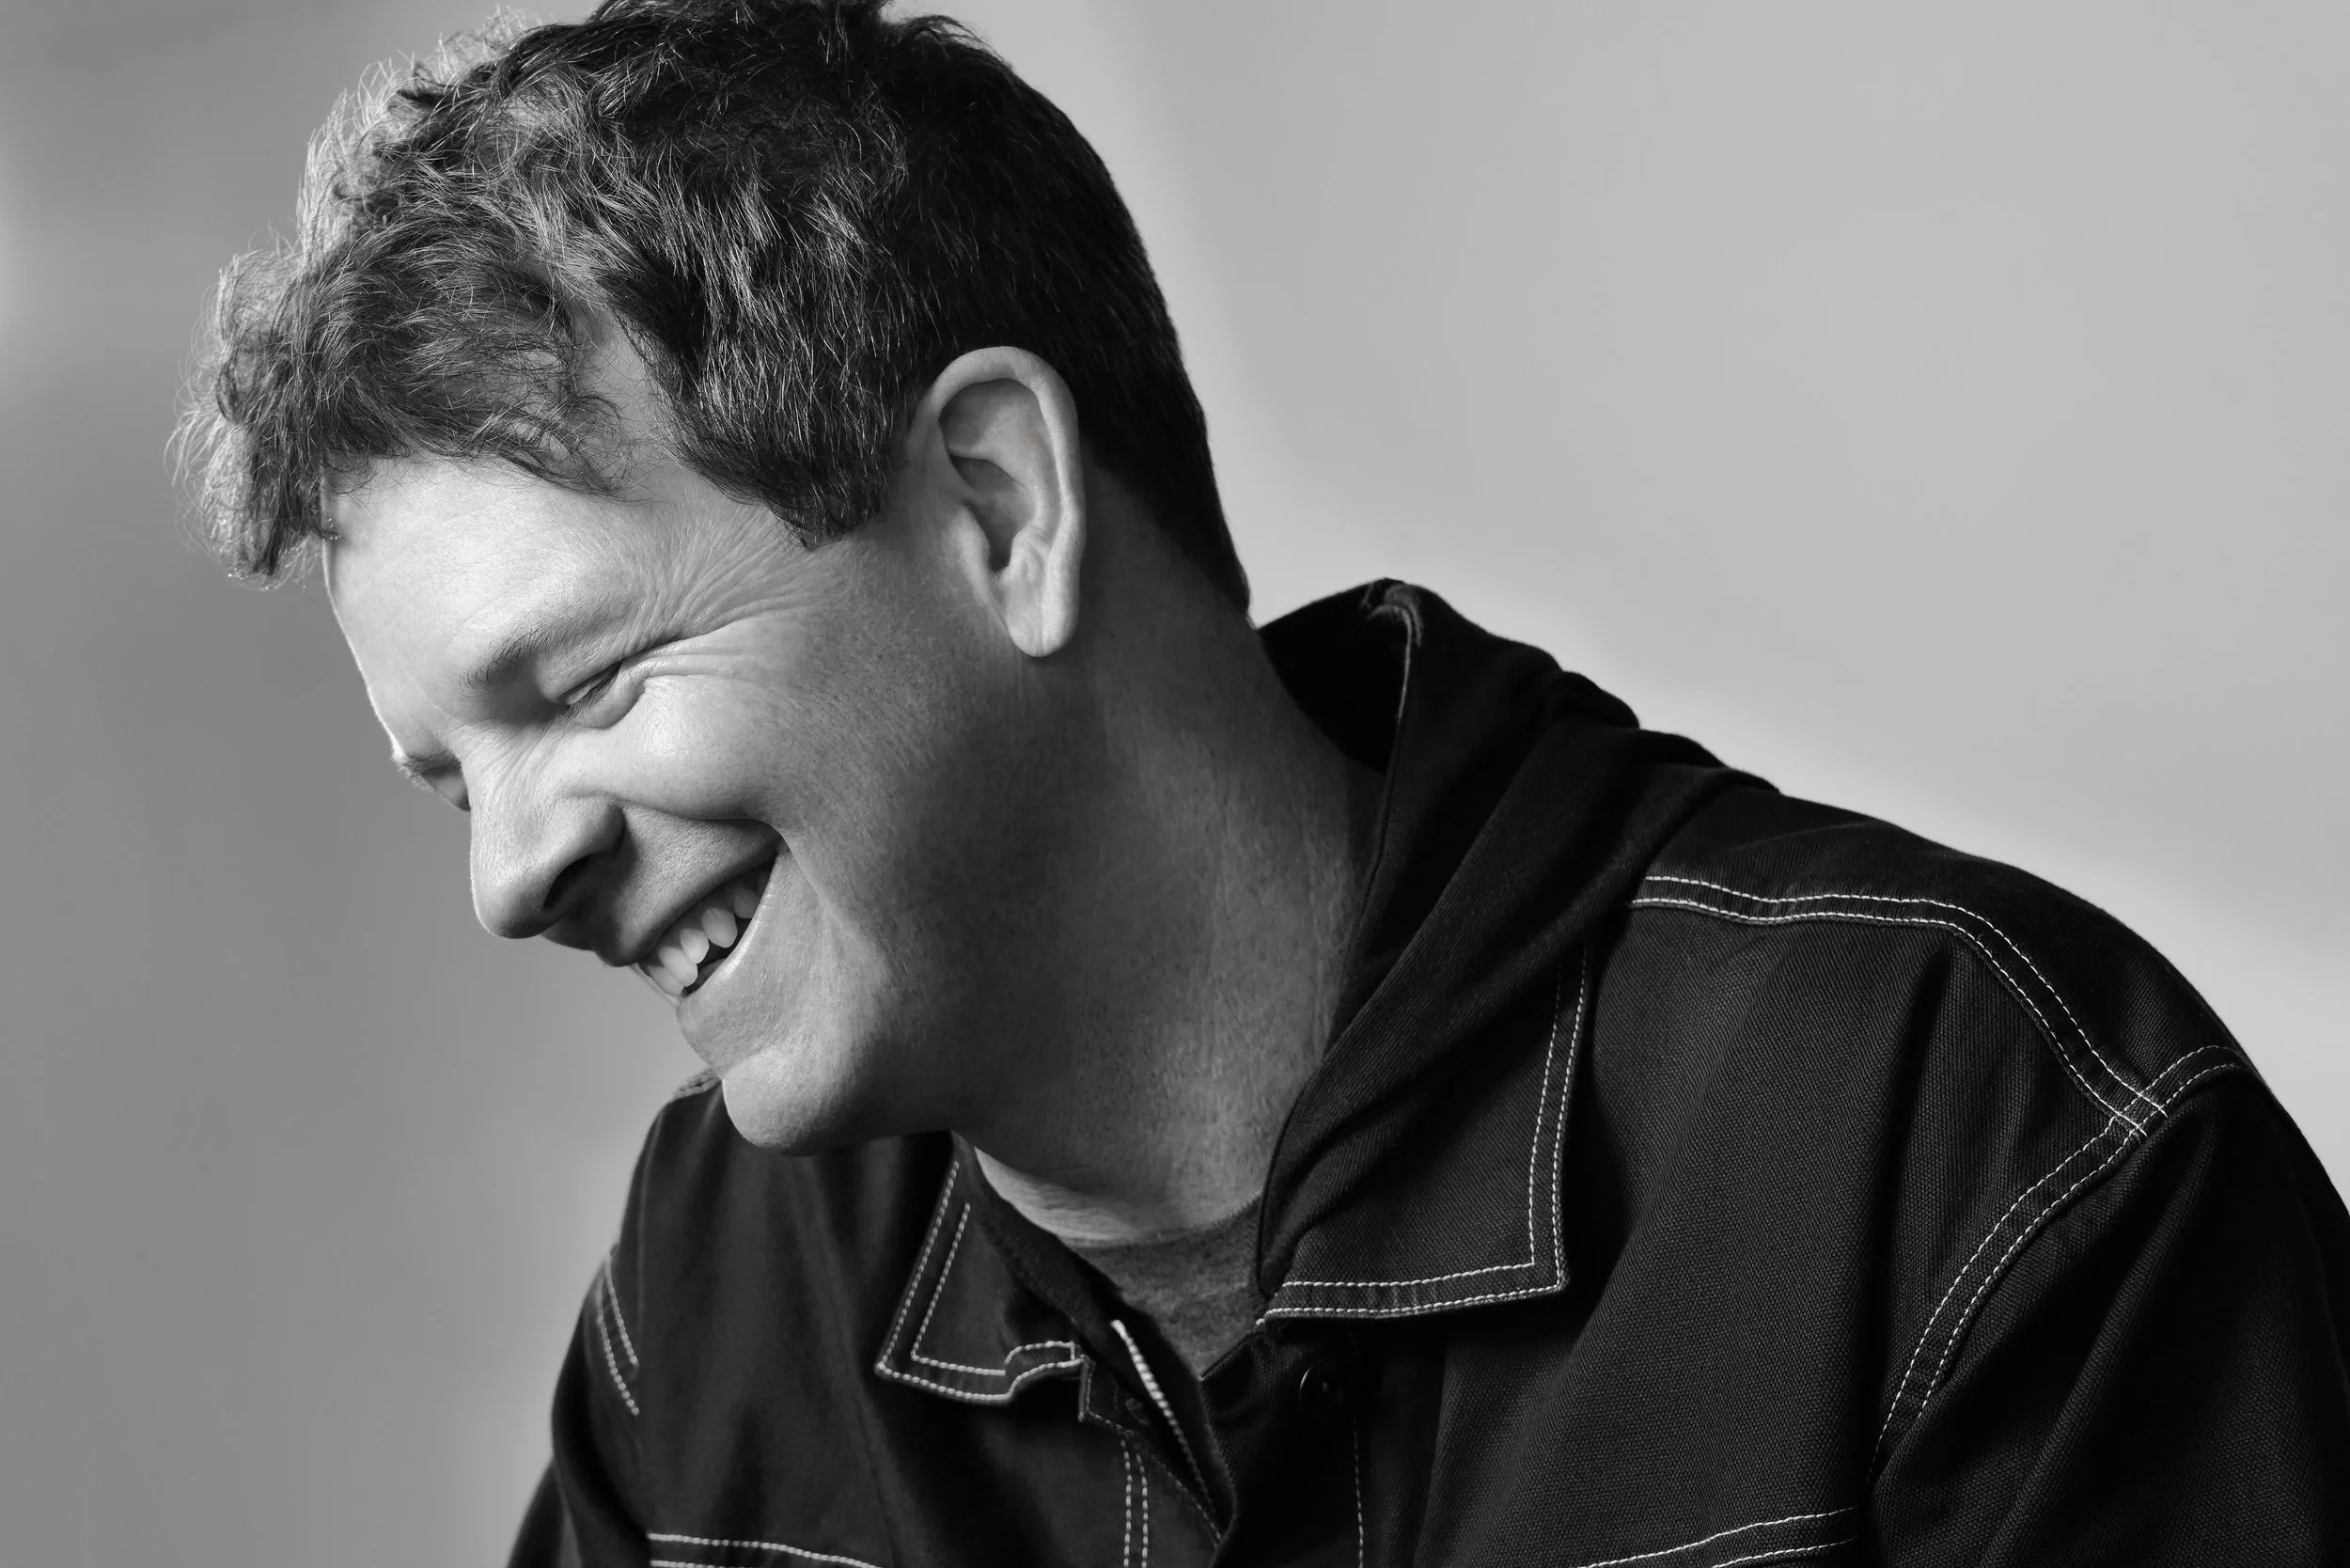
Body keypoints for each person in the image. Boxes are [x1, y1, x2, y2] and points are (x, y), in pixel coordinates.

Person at [180, 3, 2350, 1563]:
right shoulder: (712, 1301)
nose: (508, 875)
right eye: (446, 779)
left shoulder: (1974, 1144)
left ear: (1000, 508)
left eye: (574, 683)